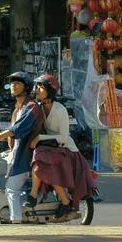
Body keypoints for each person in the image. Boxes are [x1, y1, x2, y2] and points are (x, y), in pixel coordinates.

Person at [28, 73, 95, 221]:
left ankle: (62, 200)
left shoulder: (60, 110)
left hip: (66, 150)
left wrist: (40, 138)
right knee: (37, 155)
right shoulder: (39, 108)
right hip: (52, 147)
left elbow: (64, 137)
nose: (37, 91)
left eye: (41, 88)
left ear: (50, 91)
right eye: (37, 88)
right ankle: (35, 194)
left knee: (44, 162)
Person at [0, 71, 43, 223]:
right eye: (12, 83)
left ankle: (16, 222)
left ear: (26, 87)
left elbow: (15, 131)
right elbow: (11, 136)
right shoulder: (17, 108)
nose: (13, 86)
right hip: (14, 153)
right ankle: (5, 207)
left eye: (17, 83)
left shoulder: (32, 107)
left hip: (24, 156)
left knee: (12, 190)